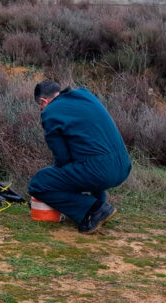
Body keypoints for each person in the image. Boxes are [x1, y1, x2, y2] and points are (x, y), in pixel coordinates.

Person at [28, 80, 131, 233]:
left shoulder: (50, 112)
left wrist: (58, 180)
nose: (41, 109)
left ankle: (95, 210)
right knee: (87, 161)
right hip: (123, 166)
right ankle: (98, 207)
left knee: (39, 182)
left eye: (40, 106)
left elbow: (63, 159)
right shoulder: (84, 95)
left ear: (44, 101)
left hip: (101, 171)